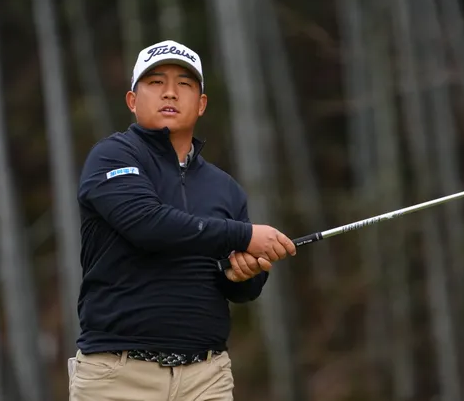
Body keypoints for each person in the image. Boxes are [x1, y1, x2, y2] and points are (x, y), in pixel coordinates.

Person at [68, 39, 297, 401]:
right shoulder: (112, 157)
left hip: (207, 378)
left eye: (185, 84)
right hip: (118, 376)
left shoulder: (225, 187)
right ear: (132, 100)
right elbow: (148, 225)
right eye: (156, 82)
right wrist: (244, 236)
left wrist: (245, 273)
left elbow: (241, 290)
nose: (170, 92)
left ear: (201, 104)